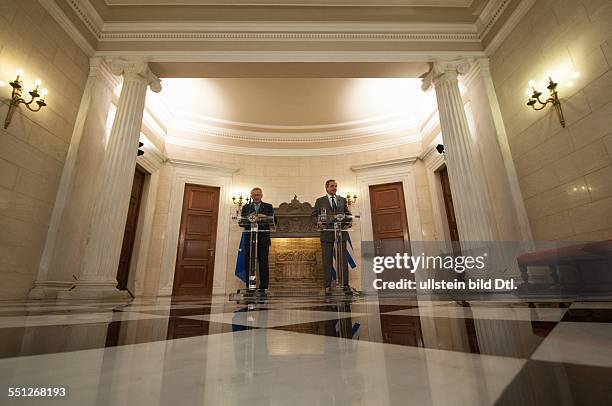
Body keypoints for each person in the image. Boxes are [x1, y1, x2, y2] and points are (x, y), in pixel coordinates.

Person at [312, 179, 352, 295]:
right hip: (327, 233)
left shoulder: (342, 200)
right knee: (326, 260)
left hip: (340, 234)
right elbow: (313, 216)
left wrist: (349, 222)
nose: (334, 188)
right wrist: (318, 223)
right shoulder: (320, 201)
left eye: (336, 186)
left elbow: (348, 214)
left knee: (343, 260)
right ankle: (327, 286)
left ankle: (345, 285)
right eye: (332, 186)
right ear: (327, 188)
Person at [240, 187, 274, 292]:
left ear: (261, 195)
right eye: (254, 195)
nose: (256, 197)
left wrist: (263, 217)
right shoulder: (246, 207)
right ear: (251, 196)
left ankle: (264, 286)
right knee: (248, 262)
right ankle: (250, 285)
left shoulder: (268, 206)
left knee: (263, 262)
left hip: (263, 238)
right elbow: (242, 221)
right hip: (250, 238)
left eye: (258, 195)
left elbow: (273, 219)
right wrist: (249, 218)